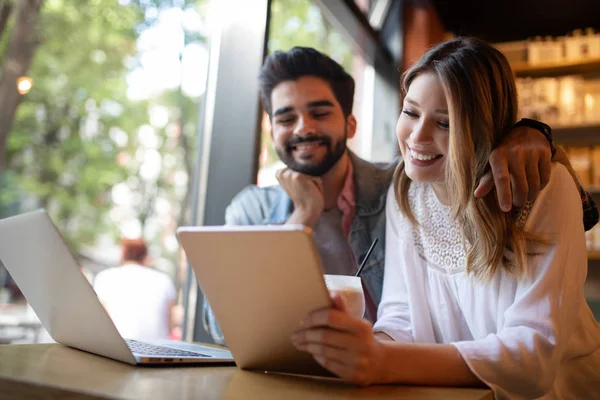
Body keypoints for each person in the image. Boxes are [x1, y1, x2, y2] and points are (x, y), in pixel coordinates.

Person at [204, 46, 598, 342]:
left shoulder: (401, 185)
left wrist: (533, 134)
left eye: (321, 112)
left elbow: (477, 162)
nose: (303, 128)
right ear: (271, 131)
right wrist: (298, 222)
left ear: (351, 122)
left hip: (388, 370)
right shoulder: (250, 209)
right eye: (286, 118)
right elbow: (223, 328)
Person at [291, 37, 600, 399]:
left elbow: (533, 357)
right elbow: (400, 314)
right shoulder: (406, 191)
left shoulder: (544, 188)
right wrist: (363, 348)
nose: (418, 136)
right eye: (411, 112)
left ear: (483, 128)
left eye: (445, 123)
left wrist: (383, 362)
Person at [93, 238, 176, 341]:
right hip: (158, 348)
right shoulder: (164, 280)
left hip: (119, 346)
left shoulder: (104, 277)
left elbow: (101, 321)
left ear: (122, 256)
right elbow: (170, 325)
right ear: (145, 257)